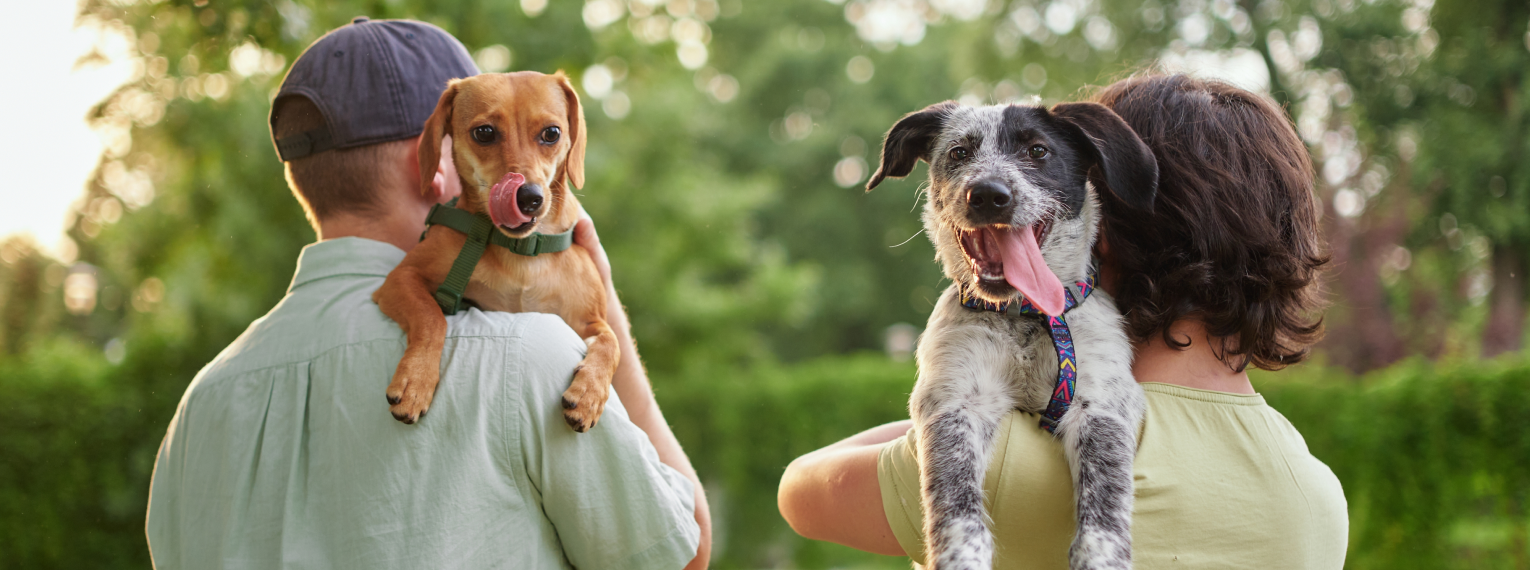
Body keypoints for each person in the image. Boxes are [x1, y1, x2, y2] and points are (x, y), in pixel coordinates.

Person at [145, 18, 711, 569]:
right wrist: (604, 299)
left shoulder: (199, 405)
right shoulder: (532, 359)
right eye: (485, 136)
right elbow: (683, 553)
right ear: (437, 165)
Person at [777, 74, 1348, 569]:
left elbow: (800, 490)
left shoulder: (1004, 465)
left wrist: (943, 392)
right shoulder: (1319, 495)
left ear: (1106, 222)